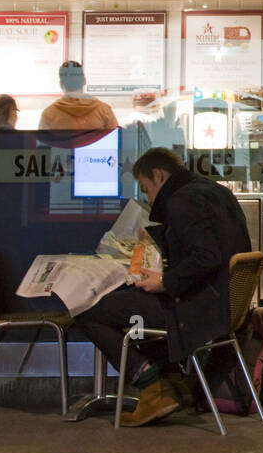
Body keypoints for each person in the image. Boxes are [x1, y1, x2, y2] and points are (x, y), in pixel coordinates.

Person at [73, 147, 252, 427]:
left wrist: (165, 281)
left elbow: (206, 257)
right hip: (220, 305)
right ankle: (174, 383)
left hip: (196, 310)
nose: (147, 197)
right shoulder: (213, 191)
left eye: (146, 189)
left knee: (87, 309)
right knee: (130, 307)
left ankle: (151, 385)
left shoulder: (182, 199)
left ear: (158, 175)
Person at [38, 61, 118, 131]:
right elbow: (117, 140)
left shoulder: (49, 114)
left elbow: (42, 145)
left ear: (61, 84)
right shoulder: (104, 111)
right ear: (84, 81)